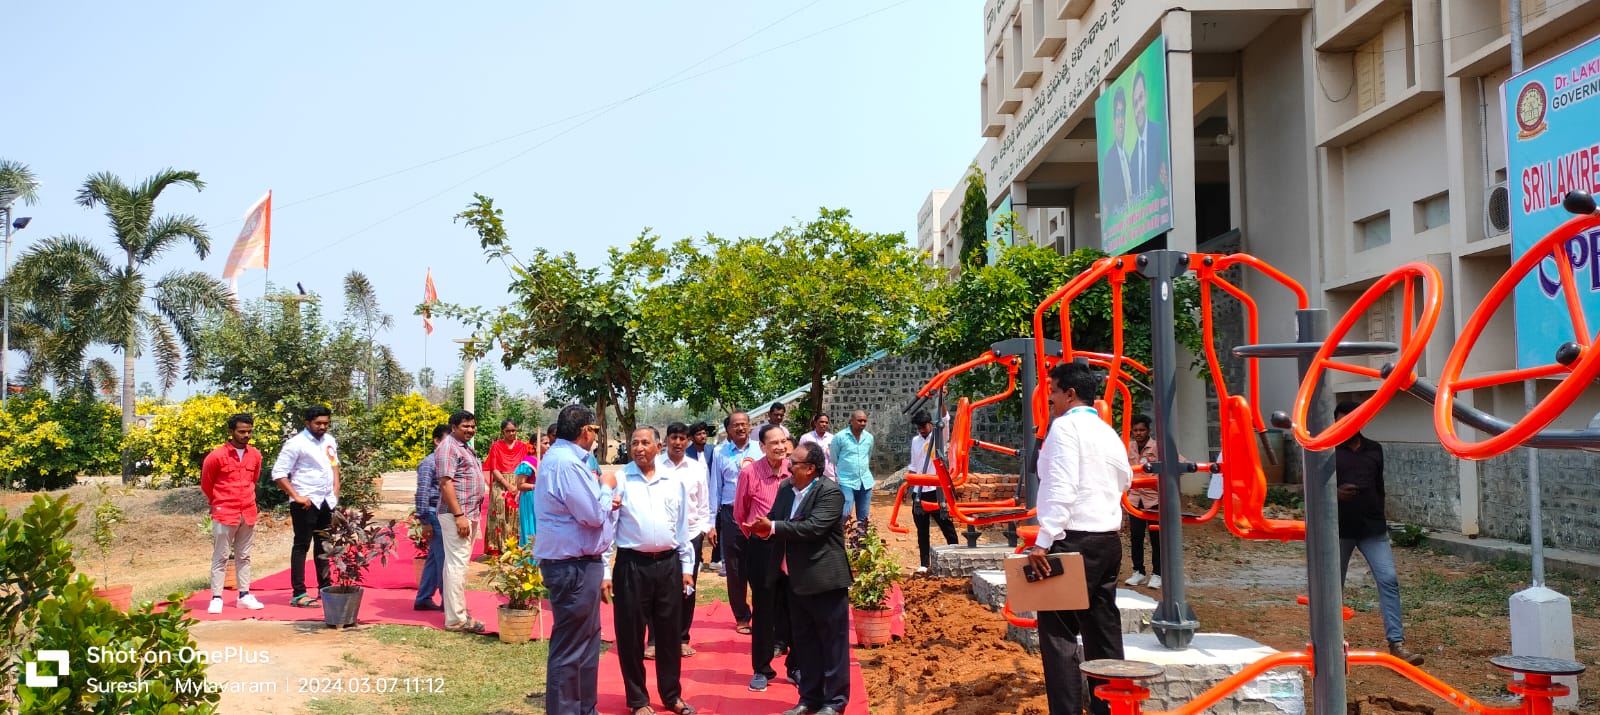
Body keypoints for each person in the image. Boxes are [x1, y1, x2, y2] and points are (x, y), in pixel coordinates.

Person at [1026, 362, 1133, 715]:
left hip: (1072, 540)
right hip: (1107, 541)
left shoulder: (1065, 428)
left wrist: (1043, 540)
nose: (1052, 400)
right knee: (1102, 629)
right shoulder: (1107, 432)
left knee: (1058, 633)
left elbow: (1060, 486)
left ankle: (1067, 710)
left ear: (1069, 394)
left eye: (1054, 392)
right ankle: (1110, 706)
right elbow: (1126, 479)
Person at [748, 441, 852, 715]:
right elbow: (774, 520)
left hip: (824, 581)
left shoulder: (830, 493)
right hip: (793, 581)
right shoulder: (785, 490)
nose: (788, 466)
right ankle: (809, 699)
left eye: (794, 462)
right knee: (805, 644)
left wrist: (773, 527)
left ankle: (834, 703)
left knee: (832, 645)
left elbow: (813, 528)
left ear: (811, 469)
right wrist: (762, 527)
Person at [603, 426, 698, 715]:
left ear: (659, 447)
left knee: (670, 635)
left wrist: (686, 567)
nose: (639, 448)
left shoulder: (673, 481)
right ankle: (638, 700)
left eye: (645, 442)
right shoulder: (620, 480)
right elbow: (609, 529)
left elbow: (682, 527)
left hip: (668, 566)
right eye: (634, 443)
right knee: (631, 636)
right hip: (632, 566)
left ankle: (672, 696)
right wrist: (605, 572)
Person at [536, 405, 623, 715]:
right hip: (571, 565)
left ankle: (585, 707)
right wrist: (605, 487)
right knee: (572, 646)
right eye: (595, 431)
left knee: (587, 641)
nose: (595, 436)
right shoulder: (566, 464)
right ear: (586, 431)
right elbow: (590, 516)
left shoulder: (568, 460)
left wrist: (602, 500)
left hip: (581, 563)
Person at [1335, 400, 1424, 666]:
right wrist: (1335, 494)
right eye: (1341, 420)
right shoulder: (1327, 450)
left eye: (1351, 419)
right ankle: (1331, 645)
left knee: (1388, 580)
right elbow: (1309, 489)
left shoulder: (1374, 450)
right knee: (1331, 588)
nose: (1346, 425)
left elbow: (1379, 486)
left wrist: (1378, 514)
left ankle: (1396, 644)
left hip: (1372, 528)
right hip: (1338, 530)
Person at [734, 424, 795, 692]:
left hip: (793, 546)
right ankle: (762, 668)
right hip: (762, 548)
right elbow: (740, 513)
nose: (780, 447)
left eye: (783, 441)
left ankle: (796, 666)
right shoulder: (750, 473)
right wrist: (758, 538)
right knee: (763, 608)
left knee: (794, 606)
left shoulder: (796, 470)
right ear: (762, 447)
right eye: (774, 443)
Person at [647, 422, 714, 659]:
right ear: (666, 441)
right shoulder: (654, 466)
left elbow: (704, 501)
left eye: (682, 438)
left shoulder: (696, 469)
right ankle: (654, 640)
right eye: (674, 437)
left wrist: (707, 527)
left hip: (691, 534)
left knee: (687, 587)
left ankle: (682, 638)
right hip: (661, 535)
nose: (678, 442)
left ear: (688, 442)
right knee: (657, 588)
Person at [272, 405, 341, 609]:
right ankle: (299, 593)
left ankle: (325, 588)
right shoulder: (296, 444)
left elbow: (334, 464)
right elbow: (278, 473)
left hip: (327, 500)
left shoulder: (329, 440)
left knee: (324, 546)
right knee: (302, 545)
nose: (322, 427)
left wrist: (336, 487)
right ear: (307, 423)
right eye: (318, 423)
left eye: (326, 423)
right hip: (306, 502)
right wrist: (297, 496)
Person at [200, 413, 266, 614]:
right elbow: (206, 483)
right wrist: (218, 502)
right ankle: (217, 597)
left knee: (244, 556)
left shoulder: (255, 455)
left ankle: (244, 595)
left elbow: (253, 480)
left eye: (249, 431)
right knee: (221, 556)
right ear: (231, 432)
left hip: (248, 511)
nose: (246, 435)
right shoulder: (216, 456)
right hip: (224, 512)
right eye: (242, 431)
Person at [436, 410, 486, 633]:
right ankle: (456, 619)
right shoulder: (448, 447)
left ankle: (458, 612)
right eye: (465, 426)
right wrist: (459, 516)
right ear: (454, 427)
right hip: (457, 514)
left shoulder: (464, 447)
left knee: (458, 565)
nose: (470, 430)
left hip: (469, 513)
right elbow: (446, 484)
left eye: (472, 426)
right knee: (457, 565)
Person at [710, 411, 761, 632]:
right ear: (728, 430)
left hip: (758, 513)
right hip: (731, 514)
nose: (740, 428)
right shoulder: (720, 453)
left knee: (761, 565)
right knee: (735, 567)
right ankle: (741, 616)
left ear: (750, 427)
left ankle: (764, 613)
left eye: (744, 424)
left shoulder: (761, 449)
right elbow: (715, 488)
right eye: (735, 425)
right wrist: (712, 521)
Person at [907, 410, 957, 574]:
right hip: (919, 490)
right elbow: (914, 466)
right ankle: (924, 563)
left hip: (936, 489)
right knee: (922, 529)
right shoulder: (915, 441)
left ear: (930, 424)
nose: (922, 430)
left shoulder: (938, 437)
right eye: (919, 427)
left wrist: (942, 398)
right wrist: (910, 488)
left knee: (946, 525)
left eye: (924, 426)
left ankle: (956, 555)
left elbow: (945, 419)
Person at [413, 424, 450, 611]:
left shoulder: (447, 462)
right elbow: (422, 493)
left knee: (435, 559)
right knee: (445, 559)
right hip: (434, 515)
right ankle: (449, 602)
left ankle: (423, 597)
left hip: (443, 514)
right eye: (447, 441)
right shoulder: (429, 463)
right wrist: (424, 521)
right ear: (436, 441)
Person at [1125, 413, 1162, 590]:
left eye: (1142, 430)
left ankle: (1158, 574)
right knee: (1136, 536)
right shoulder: (1128, 447)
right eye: (1136, 430)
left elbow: (1179, 464)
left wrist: (1160, 482)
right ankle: (1138, 571)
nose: (1139, 433)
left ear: (1148, 431)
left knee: (1156, 537)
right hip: (1134, 499)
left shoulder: (1157, 447)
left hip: (1153, 499)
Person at [484, 420, 529, 557]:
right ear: (502, 431)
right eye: (508, 431)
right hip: (501, 483)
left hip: (519, 483)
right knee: (499, 515)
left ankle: (514, 547)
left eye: (513, 430)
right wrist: (508, 485)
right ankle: (497, 547)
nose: (511, 433)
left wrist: (518, 486)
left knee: (516, 516)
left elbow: (525, 466)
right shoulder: (496, 446)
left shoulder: (522, 447)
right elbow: (494, 469)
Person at [830, 410, 876, 529]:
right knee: (845, 513)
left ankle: (861, 544)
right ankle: (839, 540)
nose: (862, 423)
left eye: (864, 421)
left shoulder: (869, 438)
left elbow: (868, 456)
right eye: (859, 420)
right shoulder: (840, 437)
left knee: (864, 517)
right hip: (846, 481)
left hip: (865, 481)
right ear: (851, 421)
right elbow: (834, 458)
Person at [1130, 71, 1168, 200]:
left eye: (1140, 98)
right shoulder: (1133, 157)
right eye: (1135, 103)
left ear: (1146, 97)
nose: (1139, 107)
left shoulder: (1160, 133)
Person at [1101, 86, 1132, 217]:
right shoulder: (1109, 160)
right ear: (1113, 121)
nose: (1121, 122)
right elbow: (1108, 204)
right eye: (1117, 115)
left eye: (1123, 114)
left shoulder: (1127, 155)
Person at [797, 413, 836, 480]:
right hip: (810, 475)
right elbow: (799, 456)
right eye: (821, 422)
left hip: (829, 476)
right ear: (815, 423)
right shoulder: (806, 438)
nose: (824, 424)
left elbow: (836, 458)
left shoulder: (832, 438)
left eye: (826, 422)